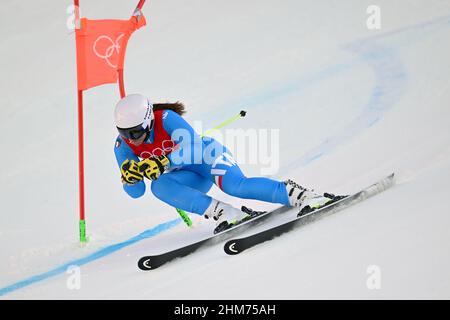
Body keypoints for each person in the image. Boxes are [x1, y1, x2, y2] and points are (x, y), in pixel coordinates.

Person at [114, 94, 339, 232]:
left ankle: (302, 195)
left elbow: (195, 148)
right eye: (125, 133)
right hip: (188, 177)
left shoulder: (165, 118)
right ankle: (226, 213)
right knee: (159, 186)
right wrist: (130, 179)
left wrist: (164, 161)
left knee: (235, 186)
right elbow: (137, 193)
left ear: (148, 120)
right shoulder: (122, 146)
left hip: (207, 158)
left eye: (136, 132)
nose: (133, 139)